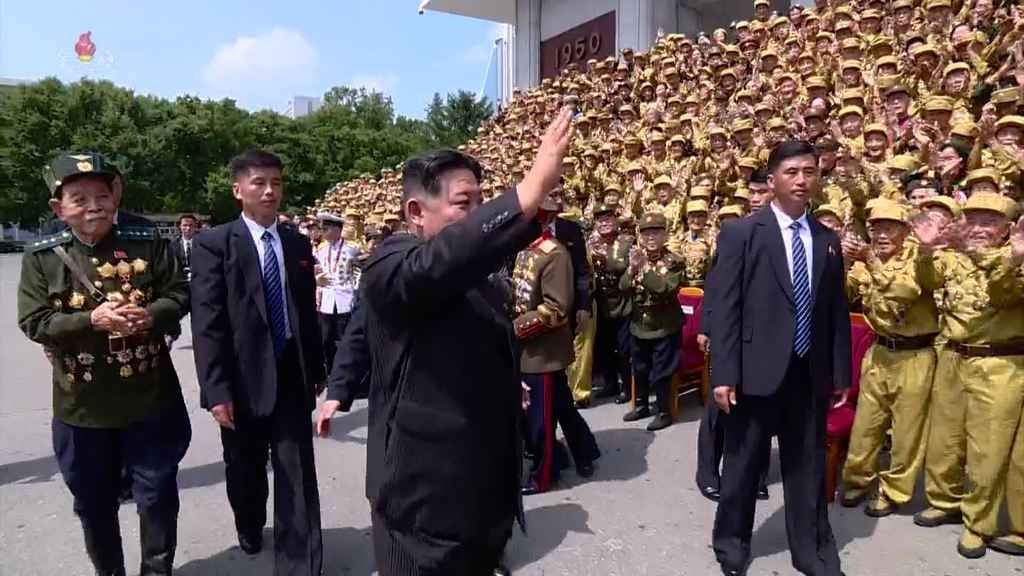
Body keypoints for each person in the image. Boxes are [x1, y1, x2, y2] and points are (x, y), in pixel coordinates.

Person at [316, 109, 572, 576]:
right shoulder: (390, 263)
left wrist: (503, 380)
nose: (476, 213)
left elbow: (474, 315)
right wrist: (526, 191)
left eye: (482, 200)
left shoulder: (469, 271)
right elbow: (433, 269)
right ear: (416, 210)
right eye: (464, 202)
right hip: (424, 506)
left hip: (481, 495)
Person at [17, 152, 191, 575]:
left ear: (115, 197)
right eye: (79, 198)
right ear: (59, 208)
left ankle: (157, 570)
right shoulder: (42, 257)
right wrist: (89, 320)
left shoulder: (145, 239)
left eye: (102, 194)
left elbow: (180, 293)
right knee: (94, 504)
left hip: (149, 397)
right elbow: (33, 320)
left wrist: (152, 315)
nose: (93, 205)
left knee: (158, 497)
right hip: (83, 406)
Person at [710, 140, 851, 576]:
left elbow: (836, 311)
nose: (801, 180)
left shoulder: (826, 239)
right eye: (791, 172)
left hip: (807, 374)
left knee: (806, 467)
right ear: (771, 181)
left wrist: (840, 372)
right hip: (755, 371)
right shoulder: (742, 233)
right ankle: (732, 544)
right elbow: (725, 307)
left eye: (809, 171)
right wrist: (724, 374)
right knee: (742, 464)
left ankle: (810, 549)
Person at [190, 149, 326, 575]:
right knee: (245, 469)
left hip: (290, 370)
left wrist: (317, 369)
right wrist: (216, 391)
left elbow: (306, 311)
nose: (270, 192)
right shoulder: (213, 244)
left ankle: (299, 560)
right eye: (259, 183)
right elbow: (207, 323)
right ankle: (248, 524)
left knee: (296, 469)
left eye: (277, 183)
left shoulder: (297, 242)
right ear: (238, 190)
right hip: (241, 380)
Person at [910, 192, 1024, 558]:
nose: (978, 229)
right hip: (953, 357)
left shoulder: (1017, 259)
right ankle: (944, 500)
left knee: (987, 451)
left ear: (1008, 229)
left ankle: (979, 522)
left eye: (989, 222)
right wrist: (927, 252)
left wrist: (1014, 259)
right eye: (973, 220)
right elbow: (926, 282)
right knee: (944, 440)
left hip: (999, 365)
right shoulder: (954, 259)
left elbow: (1004, 293)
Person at [839, 201, 939, 518]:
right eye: (876, 229)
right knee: (867, 423)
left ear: (905, 232)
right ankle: (857, 479)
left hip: (915, 354)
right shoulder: (863, 262)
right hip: (880, 351)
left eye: (890, 228)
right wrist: (842, 263)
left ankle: (895, 491)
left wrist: (870, 261)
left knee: (907, 430)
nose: (882, 235)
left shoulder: (918, 260)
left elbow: (905, 292)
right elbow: (841, 293)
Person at [515, 193, 600, 494]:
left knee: (540, 419)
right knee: (560, 406)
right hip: (532, 349)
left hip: (543, 349)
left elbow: (555, 308)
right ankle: (585, 451)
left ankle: (544, 474)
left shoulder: (555, 251)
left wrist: (514, 330)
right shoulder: (525, 249)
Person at [620, 212, 686, 432]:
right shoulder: (637, 257)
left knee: (662, 372)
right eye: (646, 233)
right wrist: (631, 268)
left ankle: (665, 412)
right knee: (639, 368)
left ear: (665, 235)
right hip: (640, 325)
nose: (650, 237)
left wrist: (645, 269)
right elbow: (623, 286)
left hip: (664, 326)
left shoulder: (674, 262)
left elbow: (662, 289)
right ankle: (641, 406)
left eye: (656, 232)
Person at [589, 203, 634, 404]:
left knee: (624, 349)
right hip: (601, 303)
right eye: (600, 220)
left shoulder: (626, 242)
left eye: (608, 219)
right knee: (604, 347)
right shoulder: (589, 243)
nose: (604, 223)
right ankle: (610, 384)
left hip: (622, 303)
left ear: (616, 221)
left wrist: (605, 259)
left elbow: (625, 267)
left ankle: (627, 386)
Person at [313, 211, 360, 375]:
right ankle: (331, 371)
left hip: (344, 298)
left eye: (326, 229)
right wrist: (317, 279)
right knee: (326, 339)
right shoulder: (320, 249)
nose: (323, 233)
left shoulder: (352, 249)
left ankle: (346, 371)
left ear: (337, 229)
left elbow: (358, 271)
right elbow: (317, 271)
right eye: (322, 229)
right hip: (327, 300)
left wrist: (356, 288)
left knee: (345, 338)